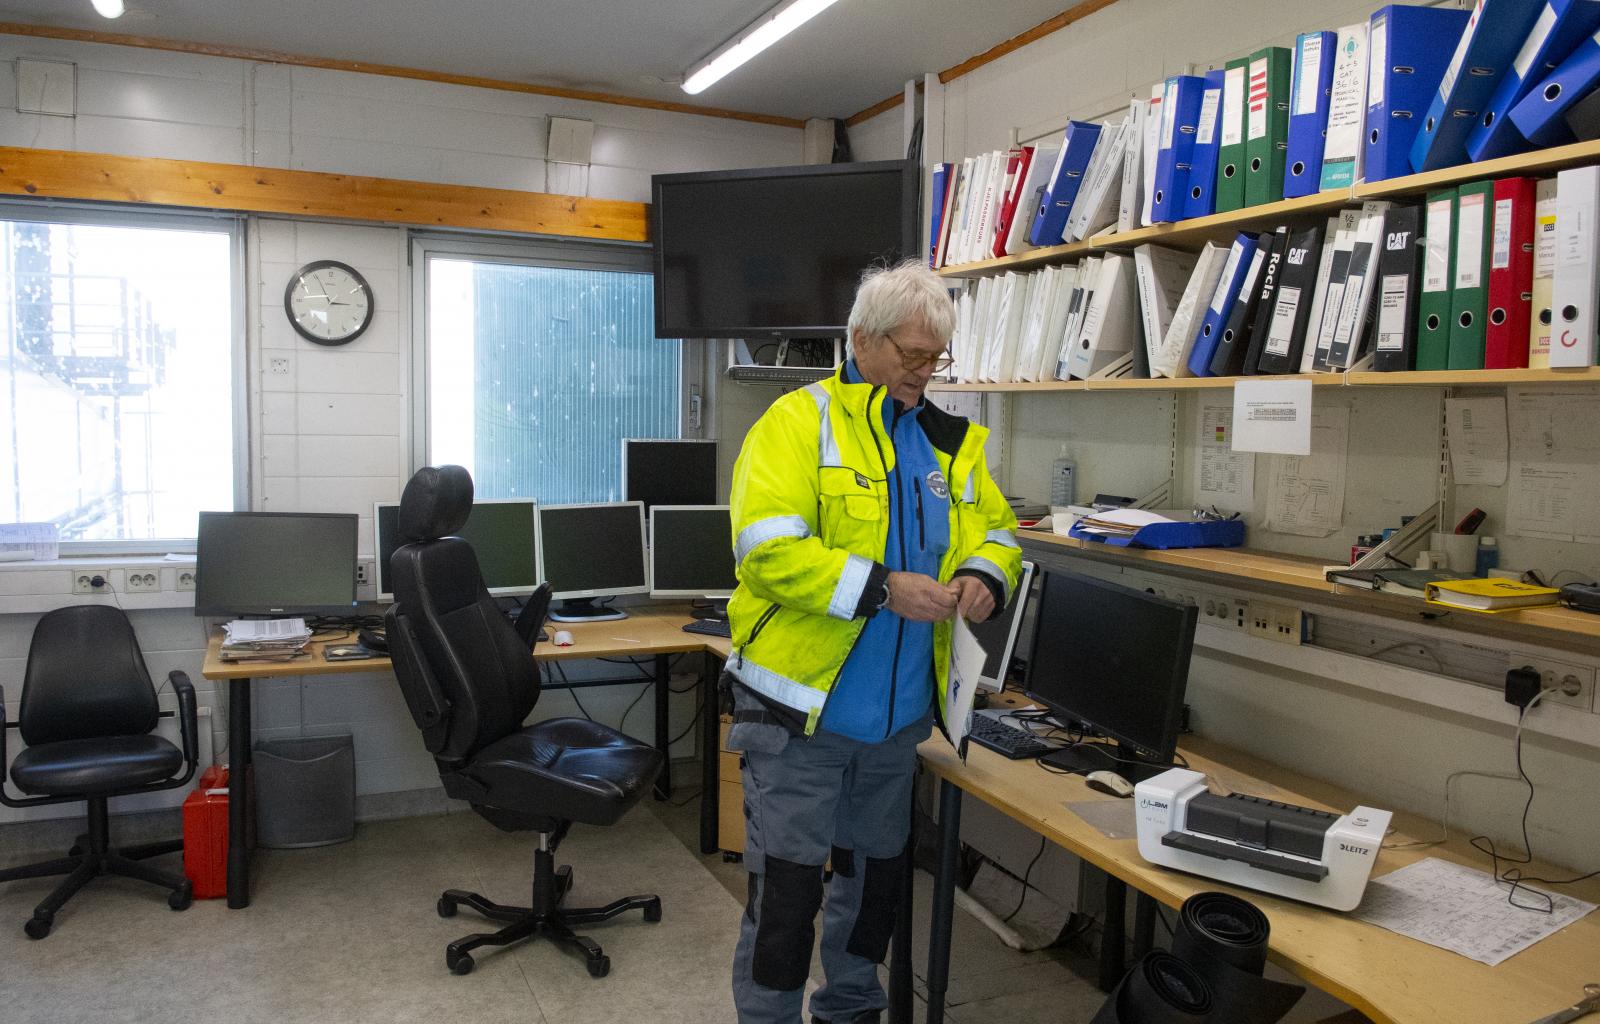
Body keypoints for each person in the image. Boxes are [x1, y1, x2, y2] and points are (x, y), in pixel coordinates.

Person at [724, 259, 1022, 1024]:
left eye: (935, 358)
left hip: (896, 726)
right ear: (863, 339)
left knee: (874, 889)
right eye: (911, 355)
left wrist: (986, 572)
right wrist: (883, 586)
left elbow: (997, 527)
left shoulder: (949, 443)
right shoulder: (796, 423)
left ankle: (850, 1012)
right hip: (802, 721)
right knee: (786, 898)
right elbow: (766, 550)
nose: (923, 373)